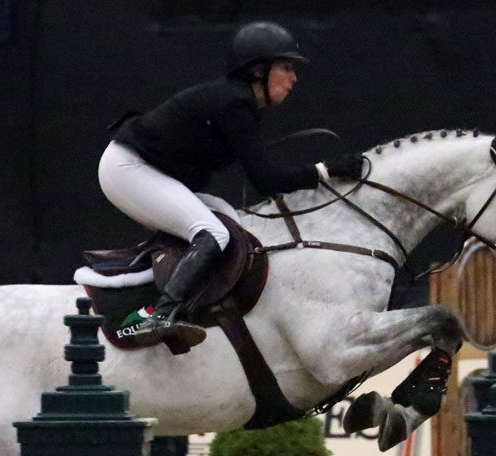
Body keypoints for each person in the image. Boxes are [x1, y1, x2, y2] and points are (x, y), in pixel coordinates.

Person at [98, 20, 364, 348]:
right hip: (127, 168)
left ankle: (187, 307)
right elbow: (267, 181)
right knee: (213, 233)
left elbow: (263, 176)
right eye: (286, 67)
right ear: (257, 71)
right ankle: (159, 315)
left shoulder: (239, 104)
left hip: (146, 168)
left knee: (229, 222)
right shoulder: (234, 105)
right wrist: (325, 170)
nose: (294, 78)